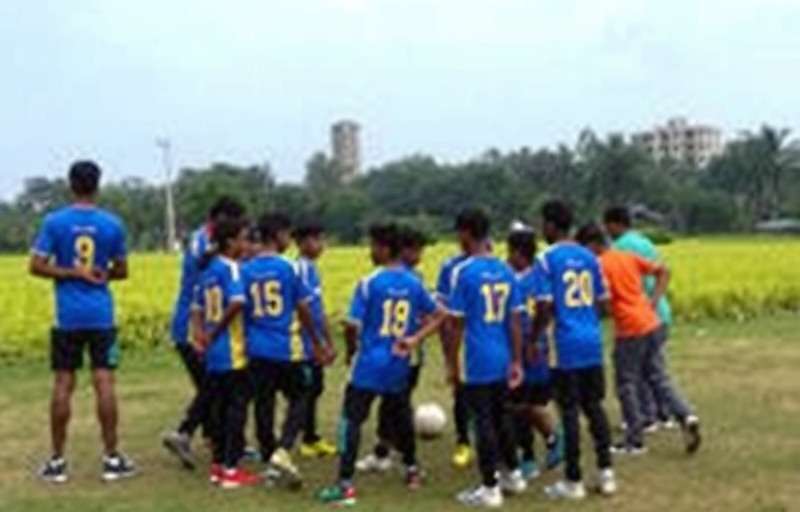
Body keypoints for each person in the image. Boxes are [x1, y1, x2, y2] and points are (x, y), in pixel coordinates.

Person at [318, 224, 445, 506]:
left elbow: (352, 324)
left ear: (386, 249)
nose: (370, 252)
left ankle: (345, 484)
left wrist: (351, 351)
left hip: (369, 363)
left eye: (373, 246)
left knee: (351, 420)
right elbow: (439, 314)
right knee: (401, 415)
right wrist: (414, 339)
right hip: (399, 361)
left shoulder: (369, 283)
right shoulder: (414, 282)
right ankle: (412, 469)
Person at [30, 160, 136, 483]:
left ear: (70, 184)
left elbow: (36, 265)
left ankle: (57, 461)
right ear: (98, 185)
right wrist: (98, 274)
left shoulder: (54, 222)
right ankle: (112, 458)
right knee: (104, 382)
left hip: (67, 316)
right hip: (101, 314)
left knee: (63, 383)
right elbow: (122, 270)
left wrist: (71, 272)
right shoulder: (112, 224)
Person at [576, 223, 702, 455]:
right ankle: (686, 415)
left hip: (629, 329)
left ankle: (635, 439)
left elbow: (605, 303)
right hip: (650, 321)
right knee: (658, 377)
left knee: (626, 383)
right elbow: (664, 271)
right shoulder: (627, 257)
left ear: (592, 245)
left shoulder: (599, 265)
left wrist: (597, 313)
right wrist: (653, 300)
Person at [529, 200, 615, 501]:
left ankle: (573, 480)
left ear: (551, 225)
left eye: (543, 223)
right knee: (594, 407)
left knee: (568, 411)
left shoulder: (546, 259)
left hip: (563, 344)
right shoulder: (590, 258)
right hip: (591, 341)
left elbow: (544, 305)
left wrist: (534, 337)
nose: (542, 229)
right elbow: (605, 304)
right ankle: (606, 473)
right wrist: (585, 318)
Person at [242, 212, 334, 489]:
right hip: (286, 347)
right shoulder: (290, 268)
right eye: (286, 235)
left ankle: (269, 455)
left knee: (264, 403)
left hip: (256, 348)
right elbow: (303, 307)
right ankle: (283, 449)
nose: (288, 240)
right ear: (278, 236)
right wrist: (317, 341)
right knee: (301, 396)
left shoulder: (245, 270)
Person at [447, 209, 527, 508]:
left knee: (483, 422)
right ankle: (513, 475)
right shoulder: (506, 270)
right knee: (501, 416)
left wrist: (452, 364)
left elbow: (456, 324)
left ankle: (489, 487)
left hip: (478, 358)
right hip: (503, 354)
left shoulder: (463, 272)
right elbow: (515, 321)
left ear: (466, 233)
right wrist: (516, 360)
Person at [163, 197, 246, 470]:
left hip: (199, 324)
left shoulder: (205, 243)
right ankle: (208, 442)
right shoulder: (205, 245)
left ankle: (209, 439)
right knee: (215, 388)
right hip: (196, 327)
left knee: (212, 387)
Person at [191, 217, 261, 489]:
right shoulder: (231, 268)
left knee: (218, 408)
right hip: (232, 349)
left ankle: (218, 465)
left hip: (213, 353)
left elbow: (196, 307)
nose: (246, 244)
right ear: (231, 242)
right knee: (236, 409)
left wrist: (201, 335)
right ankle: (231, 468)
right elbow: (236, 302)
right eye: (243, 238)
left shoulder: (207, 270)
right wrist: (216, 331)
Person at [357, 226, 429, 472]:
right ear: (403, 250)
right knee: (393, 405)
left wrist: (416, 336)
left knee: (395, 405)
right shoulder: (407, 279)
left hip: (404, 355)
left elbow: (429, 315)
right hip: (397, 353)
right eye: (416, 250)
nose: (419, 256)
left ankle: (394, 455)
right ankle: (393, 452)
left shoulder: (411, 279)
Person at [604, 206, 676, 431]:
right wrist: (655, 300)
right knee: (655, 369)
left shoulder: (618, 248)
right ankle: (664, 413)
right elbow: (663, 270)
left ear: (614, 224)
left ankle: (646, 417)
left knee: (636, 372)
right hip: (659, 313)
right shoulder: (645, 242)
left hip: (638, 315)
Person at [505, 225, 564, 480]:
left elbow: (545, 307)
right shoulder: (512, 275)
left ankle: (531, 454)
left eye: (510, 252)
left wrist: (532, 341)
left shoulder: (534, 277)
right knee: (522, 405)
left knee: (523, 405)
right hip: (518, 348)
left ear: (519, 253)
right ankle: (546, 443)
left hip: (531, 350)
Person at [293, 221, 339, 459]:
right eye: (316, 240)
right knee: (307, 390)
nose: (321, 245)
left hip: (314, 341)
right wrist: (317, 342)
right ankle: (305, 438)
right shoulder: (300, 269)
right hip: (303, 343)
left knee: (315, 388)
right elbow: (303, 309)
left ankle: (310, 436)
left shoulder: (312, 269)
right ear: (301, 243)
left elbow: (319, 310)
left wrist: (328, 340)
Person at [434, 252, 474, 469]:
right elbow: (443, 310)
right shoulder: (450, 267)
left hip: (488, 342)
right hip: (461, 340)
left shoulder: (495, 266)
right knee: (460, 391)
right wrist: (448, 351)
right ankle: (463, 442)